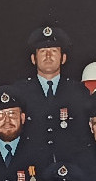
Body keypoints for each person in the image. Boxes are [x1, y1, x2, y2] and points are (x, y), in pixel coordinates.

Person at [17, 23, 89, 163]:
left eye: (54, 51)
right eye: (43, 51)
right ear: (33, 59)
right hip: (31, 167)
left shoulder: (78, 92)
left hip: (69, 168)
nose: (48, 56)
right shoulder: (20, 92)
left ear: (63, 58)